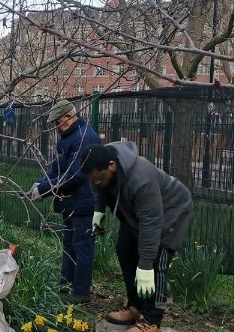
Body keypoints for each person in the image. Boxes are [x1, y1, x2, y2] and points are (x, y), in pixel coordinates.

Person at [80, 142, 194, 332]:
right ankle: (135, 305)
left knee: (157, 263)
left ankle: (151, 320)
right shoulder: (102, 162)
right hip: (137, 213)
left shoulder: (142, 179)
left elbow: (151, 223)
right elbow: (101, 187)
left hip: (170, 213)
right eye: (93, 180)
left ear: (111, 165)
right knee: (125, 249)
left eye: (98, 178)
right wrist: (99, 211)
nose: (96, 183)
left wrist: (146, 264)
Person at [26, 99, 102, 305]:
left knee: (82, 246)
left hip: (85, 202)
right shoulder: (68, 137)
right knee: (69, 244)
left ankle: (80, 293)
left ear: (70, 116)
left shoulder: (84, 138)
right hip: (70, 201)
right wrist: (39, 184)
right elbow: (58, 168)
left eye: (59, 122)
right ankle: (65, 284)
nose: (57, 127)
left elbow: (74, 176)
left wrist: (43, 190)